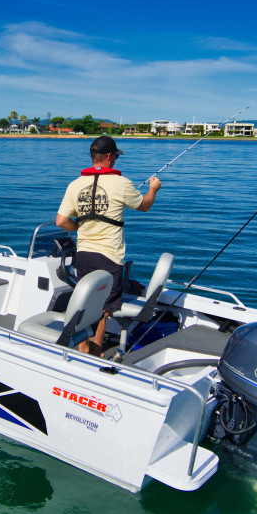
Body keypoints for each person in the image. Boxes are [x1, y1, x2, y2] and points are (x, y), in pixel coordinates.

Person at [55, 135, 161, 354]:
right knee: (102, 309)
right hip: (110, 256)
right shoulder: (121, 183)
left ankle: (83, 347)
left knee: (85, 303)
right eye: (116, 157)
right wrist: (153, 189)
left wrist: (80, 228)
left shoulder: (75, 185)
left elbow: (61, 221)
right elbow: (144, 206)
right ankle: (94, 353)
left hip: (83, 253)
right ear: (110, 157)